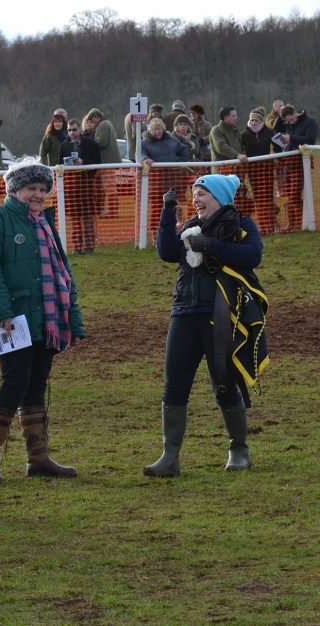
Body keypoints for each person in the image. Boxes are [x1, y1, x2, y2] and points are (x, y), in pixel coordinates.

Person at [0, 157, 83, 486]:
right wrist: (2, 312)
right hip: (11, 319)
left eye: (43, 188)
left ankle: (38, 457)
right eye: (32, 188)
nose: (38, 194)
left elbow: (64, 275)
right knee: (15, 381)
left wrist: (72, 319)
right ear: (15, 189)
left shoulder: (45, 224)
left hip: (46, 318)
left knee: (36, 383)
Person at [145, 175, 266, 478]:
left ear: (219, 197)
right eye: (194, 194)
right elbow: (166, 252)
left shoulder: (241, 225)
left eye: (202, 193)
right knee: (174, 386)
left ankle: (239, 449)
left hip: (221, 316)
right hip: (183, 313)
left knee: (223, 384)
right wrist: (167, 213)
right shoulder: (188, 226)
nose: (195, 198)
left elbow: (252, 256)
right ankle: (169, 456)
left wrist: (210, 245)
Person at [60, 120, 102, 253]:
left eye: (74, 129)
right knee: (74, 217)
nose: (72, 132)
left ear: (80, 129)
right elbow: (59, 165)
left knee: (87, 216)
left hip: (87, 184)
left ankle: (89, 246)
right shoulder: (64, 145)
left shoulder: (92, 144)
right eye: (69, 130)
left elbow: (97, 163)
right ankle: (77, 246)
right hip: (71, 186)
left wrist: (83, 162)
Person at [274, 104, 317, 231]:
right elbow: (276, 128)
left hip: (301, 162)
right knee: (289, 194)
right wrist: (278, 111)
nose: (290, 123)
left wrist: (291, 138)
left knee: (294, 195)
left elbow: (310, 140)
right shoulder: (287, 123)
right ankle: (291, 224)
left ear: (295, 112)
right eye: (287, 121)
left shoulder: (310, 122)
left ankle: (300, 223)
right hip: (288, 163)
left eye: (291, 119)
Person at [241, 110, 278, 233]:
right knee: (257, 196)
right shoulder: (244, 134)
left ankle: (271, 223)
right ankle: (262, 225)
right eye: (252, 120)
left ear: (261, 121)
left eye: (256, 120)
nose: (254, 122)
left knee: (268, 195)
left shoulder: (268, 132)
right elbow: (241, 149)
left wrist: (278, 157)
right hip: (253, 170)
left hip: (267, 168)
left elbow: (278, 146)